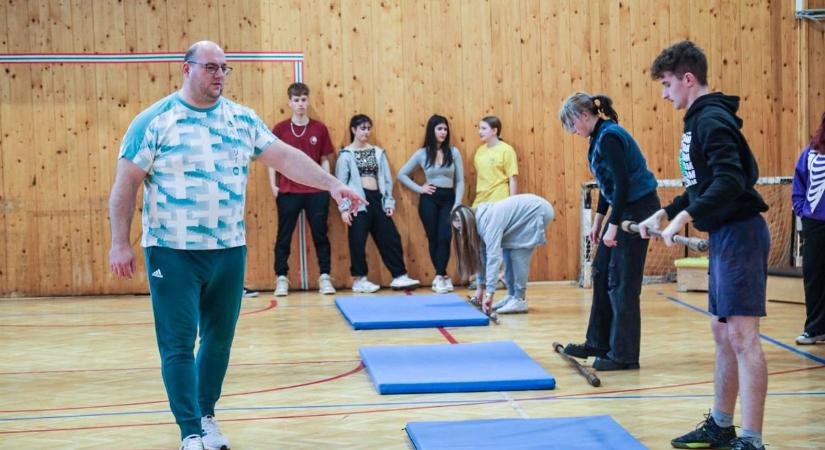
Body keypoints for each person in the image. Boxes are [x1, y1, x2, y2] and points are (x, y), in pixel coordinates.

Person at [107, 41, 364, 450]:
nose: (219, 76)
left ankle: (206, 416)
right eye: (211, 67)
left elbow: (286, 158)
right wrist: (119, 243)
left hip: (228, 250)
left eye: (225, 69)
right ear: (186, 68)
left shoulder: (241, 119)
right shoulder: (154, 121)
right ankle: (189, 431)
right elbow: (125, 186)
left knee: (219, 340)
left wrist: (333, 184)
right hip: (171, 252)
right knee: (177, 343)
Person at [638, 40, 770, 450]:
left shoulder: (710, 120)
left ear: (688, 79)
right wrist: (665, 211)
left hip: (742, 233)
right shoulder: (697, 120)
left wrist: (684, 216)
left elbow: (733, 180)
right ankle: (721, 424)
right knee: (722, 332)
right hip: (725, 235)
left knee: (744, 337)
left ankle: (752, 439)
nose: (664, 94)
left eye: (666, 84)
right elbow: (703, 184)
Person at [558, 93, 661, 371]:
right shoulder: (597, 138)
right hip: (622, 206)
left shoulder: (610, 137)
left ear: (584, 116)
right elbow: (607, 185)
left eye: (572, 124)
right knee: (602, 270)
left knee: (622, 281)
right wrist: (598, 221)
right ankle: (599, 342)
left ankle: (624, 354)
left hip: (638, 207)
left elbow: (623, 185)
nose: (573, 131)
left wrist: (613, 226)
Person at [335, 114, 420, 293]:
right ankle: (360, 279)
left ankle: (399, 276)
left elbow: (387, 180)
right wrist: (343, 208)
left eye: (368, 128)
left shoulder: (377, 152)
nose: (366, 132)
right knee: (357, 240)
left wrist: (388, 202)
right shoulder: (346, 155)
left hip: (377, 199)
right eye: (362, 128)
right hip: (357, 202)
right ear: (354, 130)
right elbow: (339, 184)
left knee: (390, 237)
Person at [269, 82, 336, 297]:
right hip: (288, 191)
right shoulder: (280, 129)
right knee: (284, 236)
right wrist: (273, 184)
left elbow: (325, 159)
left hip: (316, 192)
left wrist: (327, 184)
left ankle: (325, 277)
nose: (300, 104)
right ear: (290, 102)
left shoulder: (319, 128)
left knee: (321, 235)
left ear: (308, 101)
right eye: (296, 100)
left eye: (303, 99)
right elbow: (272, 159)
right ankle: (281, 278)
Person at [451, 194, 554, 314]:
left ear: (467, 222)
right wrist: (480, 288)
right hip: (525, 212)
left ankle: (520, 299)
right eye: (457, 230)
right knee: (507, 253)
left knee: (517, 255)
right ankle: (511, 295)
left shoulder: (487, 223)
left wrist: (489, 294)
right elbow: (481, 257)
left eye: (460, 228)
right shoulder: (477, 222)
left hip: (536, 211)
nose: (460, 233)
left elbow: (493, 258)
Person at [397, 114, 465, 294]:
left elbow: (459, 181)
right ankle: (442, 276)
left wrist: (457, 202)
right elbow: (402, 174)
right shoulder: (422, 153)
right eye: (439, 129)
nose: (443, 132)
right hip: (429, 199)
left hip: (448, 199)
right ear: (432, 130)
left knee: (445, 236)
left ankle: (439, 275)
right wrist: (420, 189)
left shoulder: (454, 152)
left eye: (445, 129)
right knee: (433, 238)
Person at [792, 111, 825, 345]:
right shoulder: (811, 153)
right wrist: (803, 209)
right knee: (814, 276)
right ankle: (815, 329)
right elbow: (799, 186)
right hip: (816, 225)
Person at [472, 116, 518, 206]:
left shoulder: (507, 150)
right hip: (481, 199)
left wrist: (512, 203)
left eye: (484, 128)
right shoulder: (479, 151)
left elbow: (513, 179)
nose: (480, 132)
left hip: (499, 199)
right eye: (479, 128)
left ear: (494, 131)